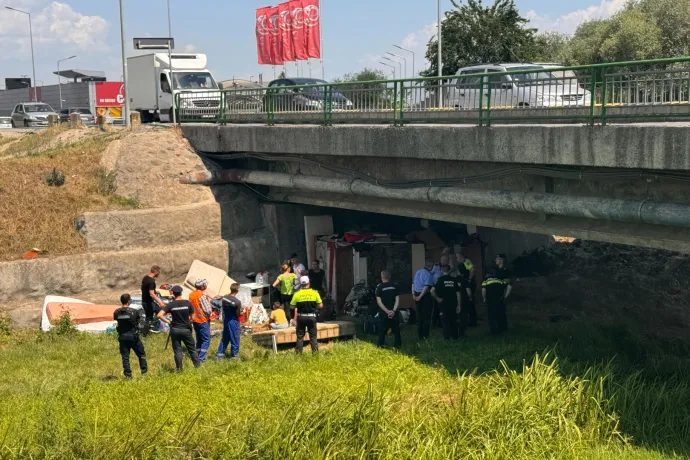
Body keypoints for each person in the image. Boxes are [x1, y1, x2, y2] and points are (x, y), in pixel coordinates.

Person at [157, 286, 201, 372]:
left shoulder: (171, 305)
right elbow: (193, 317)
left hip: (175, 330)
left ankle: (179, 370)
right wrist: (189, 322)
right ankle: (197, 368)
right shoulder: (187, 303)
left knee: (177, 351)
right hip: (186, 329)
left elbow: (159, 315)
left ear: (173, 293)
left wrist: (169, 322)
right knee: (192, 349)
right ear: (181, 292)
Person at [113, 294, 147, 379]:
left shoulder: (117, 312)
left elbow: (117, 320)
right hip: (133, 337)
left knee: (125, 357)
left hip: (122, 337)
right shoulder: (134, 312)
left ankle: (128, 375)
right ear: (129, 301)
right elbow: (140, 324)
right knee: (141, 354)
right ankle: (144, 371)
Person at [290, 276, 323, 354]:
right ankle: (315, 354)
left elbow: (291, 306)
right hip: (312, 317)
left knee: (300, 337)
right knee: (313, 337)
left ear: (301, 284)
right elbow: (321, 305)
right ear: (309, 283)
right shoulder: (315, 293)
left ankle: (298, 354)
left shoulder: (297, 294)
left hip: (301, 317)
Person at [431, 265, 462, 341]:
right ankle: (455, 337)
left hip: (443, 304)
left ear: (441, 271)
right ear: (449, 271)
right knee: (453, 321)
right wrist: (459, 305)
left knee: (445, 321)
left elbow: (432, 291)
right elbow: (458, 293)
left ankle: (446, 338)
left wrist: (438, 299)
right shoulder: (454, 280)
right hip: (453, 303)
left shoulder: (440, 280)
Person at [214, 283, 243, 359]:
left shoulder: (225, 297)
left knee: (225, 338)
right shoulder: (237, 302)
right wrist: (242, 312)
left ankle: (219, 355)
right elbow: (238, 314)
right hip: (233, 321)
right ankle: (234, 356)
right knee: (235, 338)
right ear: (238, 290)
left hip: (226, 319)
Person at [374, 270, 401, 348]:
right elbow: (397, 300)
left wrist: (387, 311)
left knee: (381, 331)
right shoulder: (395, 286)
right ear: (389, 277)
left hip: (383, 313)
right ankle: (398, 345)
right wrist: (393, 311)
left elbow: (379, 302)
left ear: (382, 277)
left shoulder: (379, 287)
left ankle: (381, 345)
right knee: (396, 330)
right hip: (394, 312)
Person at [188, 278, 213, 362]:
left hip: (195, 320)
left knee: (199, 339)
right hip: (203, 320)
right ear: (202, 286)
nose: (206, 286)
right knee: (206, 340)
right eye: (205, 285)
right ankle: (201, 359)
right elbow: (208, 310)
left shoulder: (191, 294)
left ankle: (196, 356)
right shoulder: (202, 296)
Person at [412, 260, 435, 340]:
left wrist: (414, 295)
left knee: (419, 316)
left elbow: (413, 284)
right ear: (431, 267)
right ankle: (425, 335)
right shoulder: (429, 274)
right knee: (426, 316)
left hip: (416, 295)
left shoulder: (418, 272)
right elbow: (426, 287)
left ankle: (420, 335)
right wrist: (421, 296)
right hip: (425, 296)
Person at [482, 269, 509, 335]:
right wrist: (505, 296)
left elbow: (483, 290)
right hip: (499, 299)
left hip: (490, 300)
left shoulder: (485, 281)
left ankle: (494, 332)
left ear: (487, 275)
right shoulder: (499, 280)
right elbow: (509, 285)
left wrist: (484, 298)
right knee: (500, 314)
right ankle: (501, 329)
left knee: (491, 316)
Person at [455, 251, 478, 327]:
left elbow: (472, 270)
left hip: (468, 284)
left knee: (469, 302)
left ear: (461, 257)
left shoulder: (466, 261)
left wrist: (469, 279)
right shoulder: (462, 264)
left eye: (457, 257)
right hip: (466, 284)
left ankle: (472, 321)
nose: (456, 259)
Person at [141, 265, 166, 334]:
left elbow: (146, 289)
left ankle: (151, 325)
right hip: (148, 303)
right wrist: (160, 302)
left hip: (145, 301)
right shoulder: (151, 281)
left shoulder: (145, 277)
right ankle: (145, 333)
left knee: (160, 311)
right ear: (155, 271)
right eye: (158, 272)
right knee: (149, 318)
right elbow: (151, 293)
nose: (159, 273)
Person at [430, 254, 450, 328]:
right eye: (443, 260)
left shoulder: (448, 267)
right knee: (435, 307)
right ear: (441, 260)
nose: (445, 261)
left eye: (446, 260)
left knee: (443, 306)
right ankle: (434, 323)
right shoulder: (436, 266)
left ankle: (441, 323)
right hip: (436, 287)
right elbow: (430, 274)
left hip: (444, 288)